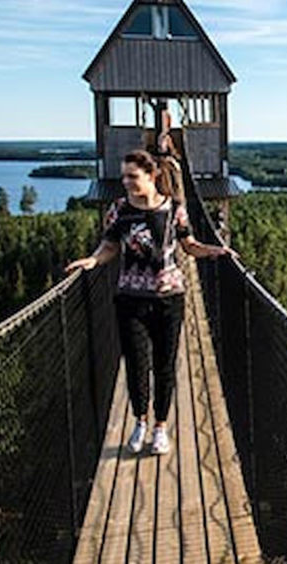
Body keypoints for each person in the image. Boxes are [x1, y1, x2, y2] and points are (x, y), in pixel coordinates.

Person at [65, 148, 237, 455]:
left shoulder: (175, 208)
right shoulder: (119, 209)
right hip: (130, 298)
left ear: (152, 175)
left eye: (133, 176)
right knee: (136, 363)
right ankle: (140, 421)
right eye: (124, 176)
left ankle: (160, 426)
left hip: (169, 298)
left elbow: (189, 245)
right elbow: (109, 246)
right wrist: (93, 261)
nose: (126, 182)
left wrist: (215, 251)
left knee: (164, 365)